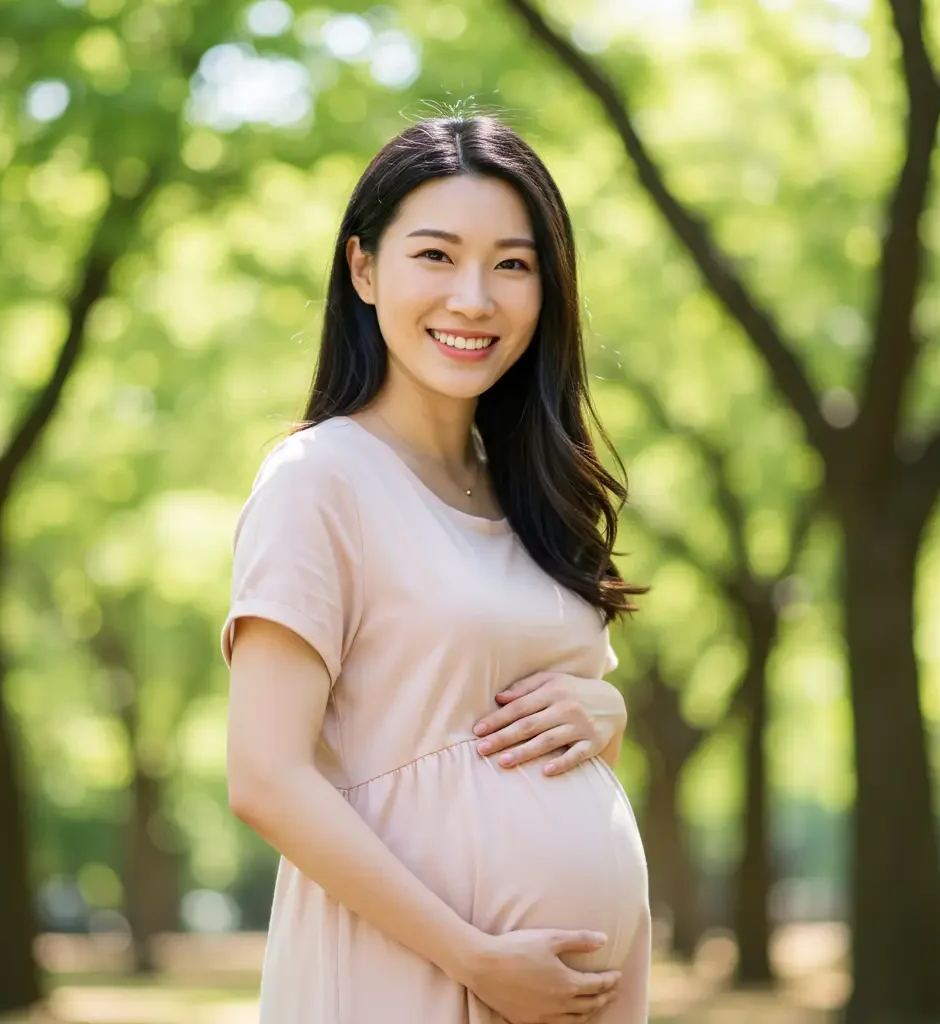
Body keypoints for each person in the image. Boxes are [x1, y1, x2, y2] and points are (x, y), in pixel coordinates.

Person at [222, 114, 651, 1024]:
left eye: (512, 264)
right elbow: (264, 776)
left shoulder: (534, 492)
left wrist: (605, 712)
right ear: (363, 270)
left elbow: (531, 745)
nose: (473, 298)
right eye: (435, 256)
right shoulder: (320, 480)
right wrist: (476, 959)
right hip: (408, 977)